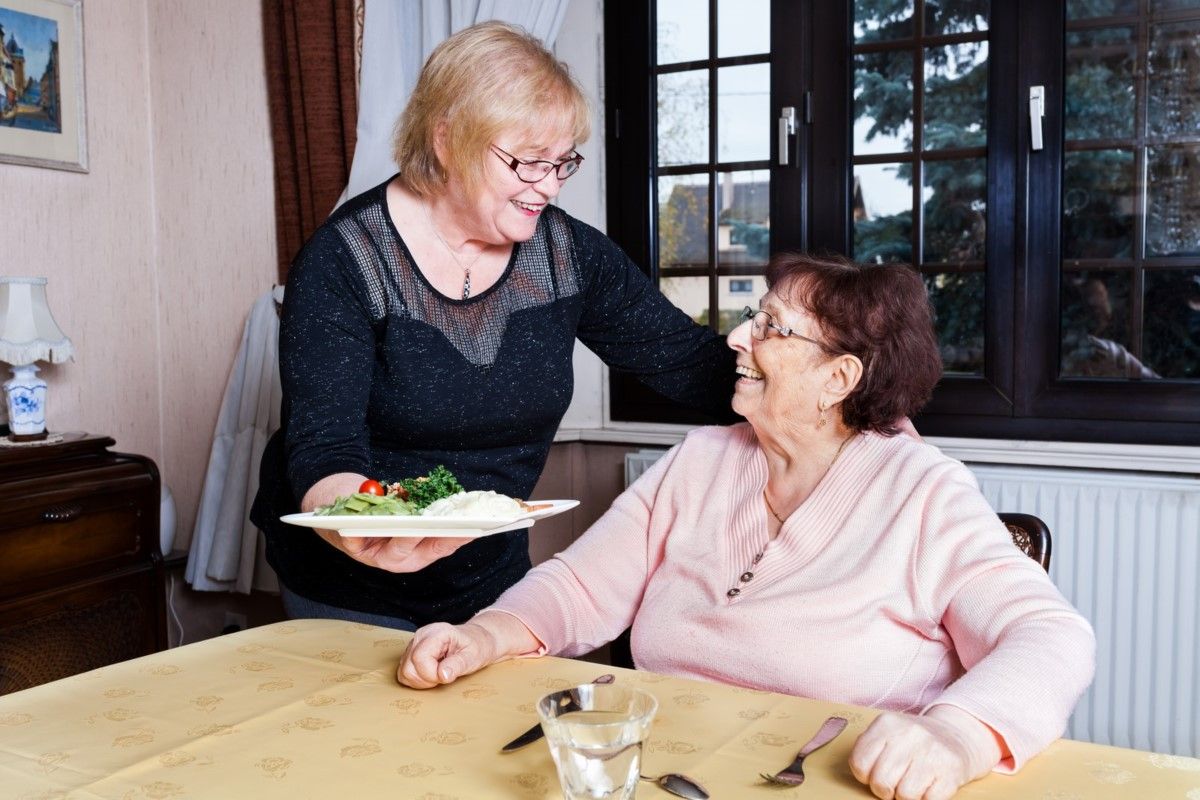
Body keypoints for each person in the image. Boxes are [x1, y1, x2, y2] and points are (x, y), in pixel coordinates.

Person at [397, 254, 1096, 800]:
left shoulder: (922, 493)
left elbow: (1049, 637)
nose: (736, 337)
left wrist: (957, 737)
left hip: (832, 782)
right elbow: (580, 585)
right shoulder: (700, 460)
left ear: (838, 378)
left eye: (768, 326)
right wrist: (484, 634)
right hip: (664, 773)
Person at [249, 21, 736, 631]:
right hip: (345, 581)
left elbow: (694, 366)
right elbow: (324, 450)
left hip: (489, 573)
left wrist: (839, 388)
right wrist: (364, 526)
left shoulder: (570, 259)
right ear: (448, 139)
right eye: (528, 163)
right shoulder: (346, 260)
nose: (549, 187)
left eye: (563, 163)